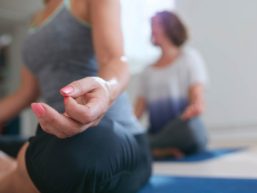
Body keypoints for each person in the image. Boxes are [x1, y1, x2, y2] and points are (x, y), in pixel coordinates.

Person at [0, 0, 152, 192]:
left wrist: (105, 87)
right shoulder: (34, 19)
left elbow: (114, 59)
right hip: (58, 137)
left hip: (112, 135)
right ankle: (23, 171)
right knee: (51, 158)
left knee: (76, 158)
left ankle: (15, 174)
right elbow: (26, 92)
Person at [134, 11, 208, 159]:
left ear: (170, 27)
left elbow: (197, 96)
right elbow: (138, 110)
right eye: (152, 25)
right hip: (157, 132)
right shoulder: (147, 70)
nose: (153, 29)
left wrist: (195, 107)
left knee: (191, 132)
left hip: (182, 128)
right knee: (131, 139)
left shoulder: (189, 58)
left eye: (157, 24)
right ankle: (158, 149)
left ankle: (149, 149)